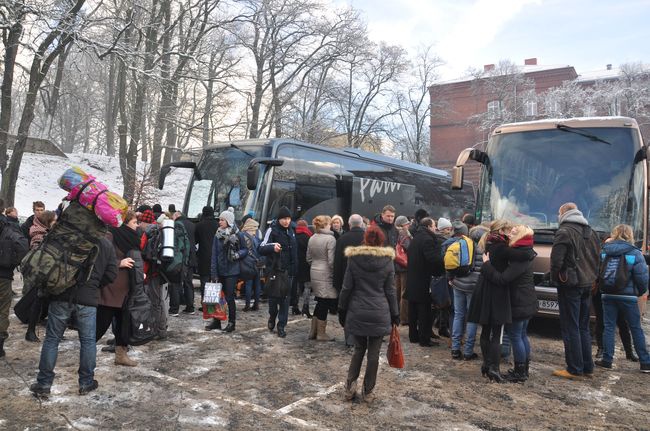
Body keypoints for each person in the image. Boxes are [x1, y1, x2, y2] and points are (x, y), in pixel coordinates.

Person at [29, 236, 117, 397]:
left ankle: (43, 383)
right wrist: (94, 284)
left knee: (52, 339)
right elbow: (111, 273)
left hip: (61, 294)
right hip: (88, 299)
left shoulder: (68, 235)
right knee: (88, 341)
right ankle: (86, 382)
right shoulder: (105, 243)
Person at [338, 225, 399, 402]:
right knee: (374, 355)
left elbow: (346, 287)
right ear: (382, 241)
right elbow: (390, 291)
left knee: (358, 350)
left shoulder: (354, 259)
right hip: (379, 312)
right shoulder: (387, 261)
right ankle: (368, 391)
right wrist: (395, 314)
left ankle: (350, 387)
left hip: (357, 311)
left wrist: (342, 309)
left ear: (365, 239)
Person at [480, 225, 537, 382]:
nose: (508, 235)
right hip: (527, 299)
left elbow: (502, 279)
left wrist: (486, 265)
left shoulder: (520, 257)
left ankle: (520, 372)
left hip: (519, 302)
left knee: (515, 336)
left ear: (519, 236)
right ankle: (524, 369)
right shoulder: (526, 251)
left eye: (512, 233)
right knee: (522, 335)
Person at [550, 202, 600, 379]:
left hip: (570, 284)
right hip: (587, 283)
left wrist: (555, 278)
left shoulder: (564, 231)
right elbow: (596, 259)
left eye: (558, 213)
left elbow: (556, 262)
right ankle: (587, 368)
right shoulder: (591, 231)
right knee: (583, 327)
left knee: (570, 326)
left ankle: (574, 368)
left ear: (563, 213)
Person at [594, 224, 650, 373]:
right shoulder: (635, 253)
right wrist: (639, 292)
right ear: (630, 235)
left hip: (607, 294)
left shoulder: (605, 251)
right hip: (628, 296)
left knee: (609, 327)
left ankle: (607, 359)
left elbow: (598, 272)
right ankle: (645, 362)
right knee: (635, 328)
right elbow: (642, 278)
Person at [468, 219, 512, 382]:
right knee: (497, 333)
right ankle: (494, 368)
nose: (510, 233)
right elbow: (525, 254)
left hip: (483, 289)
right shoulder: (503, 247)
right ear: (501, 231)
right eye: (508, 230)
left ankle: (486, 365)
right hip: (497, 291)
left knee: (486, 330)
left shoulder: (488, 243)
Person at [96, 211, 141, 367]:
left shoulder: (133, 238)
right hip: (111, 288)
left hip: (127, 288)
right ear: (125, 222)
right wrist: (118, 263)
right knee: (100, 325)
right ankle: (86, 355)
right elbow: (99, 258)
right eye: (135, 222)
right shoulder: (110, 234)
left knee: (124, 325)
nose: (137, 225)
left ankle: (121, 356)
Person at [448, 222, 487, 361]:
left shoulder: (463, 245)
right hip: (474, 288)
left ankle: (455, 349)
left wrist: (451, 278)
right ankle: (468, 351)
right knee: (472, 318)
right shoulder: (486, 250)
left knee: (459, 315)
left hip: (458, 284)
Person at [259, 206, 297, 338]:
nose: (286, 221)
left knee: (285, 300)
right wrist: (272, 247)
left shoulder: (292, 230)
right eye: (284, 219)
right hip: (274, 270)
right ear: (279, 219)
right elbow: (261, 247)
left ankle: (281, 326)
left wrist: (294, 269)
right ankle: (272, 316)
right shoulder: (272, 230)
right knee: (274, 298)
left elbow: (294, 252)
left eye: (288, 218)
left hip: (288, 271)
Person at [406, 217, 444, 347]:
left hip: (412, 278)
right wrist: (441, 266)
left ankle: (413, 336)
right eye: (434, 226)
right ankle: (424, 339)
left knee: (413, 310)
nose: (435, 228)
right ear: (428, 227)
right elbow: (433, 259)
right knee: (424, 311)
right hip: (423, 280)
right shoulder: (428, 240)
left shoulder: (416, 238)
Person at [208, 210, 248, 333]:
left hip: (232, 271)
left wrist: (237, 255)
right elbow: (214, 254)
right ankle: (217, 321)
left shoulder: (238, 234)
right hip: (220, 270)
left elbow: (245, 250)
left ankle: (232, 322)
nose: (219, 222)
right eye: (219, 219)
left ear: (228, 221)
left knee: (229, 297)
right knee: (217, 297)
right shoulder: (217, 235)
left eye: (222, 220)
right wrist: (214, 273)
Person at [24, 210, 58, 342]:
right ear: (48, 222)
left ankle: (53, 331)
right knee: (38, 302)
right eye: (54, 220)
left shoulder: (49, 234)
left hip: (50, 272)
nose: (57, 223)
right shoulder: (39, 235)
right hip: (42, 273)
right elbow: (37, 253)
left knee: (46, 303)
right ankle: (30, 331)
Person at [0, 215, 29, 357]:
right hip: (4, 275)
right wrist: (12, 263)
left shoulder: (9, 227)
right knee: (2, 310)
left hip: (4, 274)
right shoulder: (9, 227)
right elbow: (23, 246)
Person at [307, 215, 337, 341]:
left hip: (314, 270)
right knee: (325, 302)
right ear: (325, 225)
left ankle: (313, 331)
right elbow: (331, 261)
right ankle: (321, 333)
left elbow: (308, 258)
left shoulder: (312, 237)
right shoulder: (330, 239)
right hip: (326, 273)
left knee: (320, 301)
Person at [195, 206, 219, 308]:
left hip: (203, 255)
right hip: (216, 256)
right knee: (213, 280)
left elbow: (195, 241)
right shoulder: (217, 225)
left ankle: (204, 304)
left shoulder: (199, 225)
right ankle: (212, 303)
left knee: (204, 281)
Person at [174, 211, 197, 314]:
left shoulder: (176, 225)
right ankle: (190, 307)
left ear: (176, 216)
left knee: (176, 282)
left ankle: (175, 308)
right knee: (188, 282)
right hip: (191, 257)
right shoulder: (192, 225)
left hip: (180, 259)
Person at [241, 216, 262, 311]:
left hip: (248, 263)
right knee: (257, 284)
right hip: (257, 262)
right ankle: (256, 304)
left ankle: (247, 305)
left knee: (249, 284)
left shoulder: (243, 235)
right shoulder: (256, 237)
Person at [394, 215, 411, 325]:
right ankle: (404, 318)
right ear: (402, 225)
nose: (408, 225)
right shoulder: (404, 233)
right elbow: (409, 247)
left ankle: (395, 315)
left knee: (396, 291)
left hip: (396, 265)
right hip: (404, 266)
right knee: (404, 293)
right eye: (406, 223)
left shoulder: (394, 232)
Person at [294, 219, 313, 317]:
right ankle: (305, 307)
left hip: (296, 265)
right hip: (306, 265)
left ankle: (295, 306)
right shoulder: (308, 236)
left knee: (297, 286)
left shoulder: (294, 236)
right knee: (307, 286)